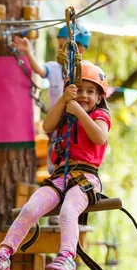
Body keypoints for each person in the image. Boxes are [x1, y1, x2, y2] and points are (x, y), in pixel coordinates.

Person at [0, 62, 110, 270]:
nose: (83, 95)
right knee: (30, 208)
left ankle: (67, 258)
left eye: (90, 92)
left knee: (68, 211)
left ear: (99, 98)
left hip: (85, 178)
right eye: (78, 90)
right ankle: (4, 253)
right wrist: (63, 101)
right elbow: (47, 126)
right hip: (59, 178)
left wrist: (79, 111)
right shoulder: (64, 114)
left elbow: (100, 137)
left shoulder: (99, 116)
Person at [13, 24, 92, 175]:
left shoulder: (86, 70)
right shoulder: (55, 68)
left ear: (80, 50)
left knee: (75, 155)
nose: (60, 50)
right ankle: (56, 176)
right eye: (59, 46)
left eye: (65, 47)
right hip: (58, 123)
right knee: (56, 157)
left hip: (77, 123)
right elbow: (40, 70)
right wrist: (29, 52)